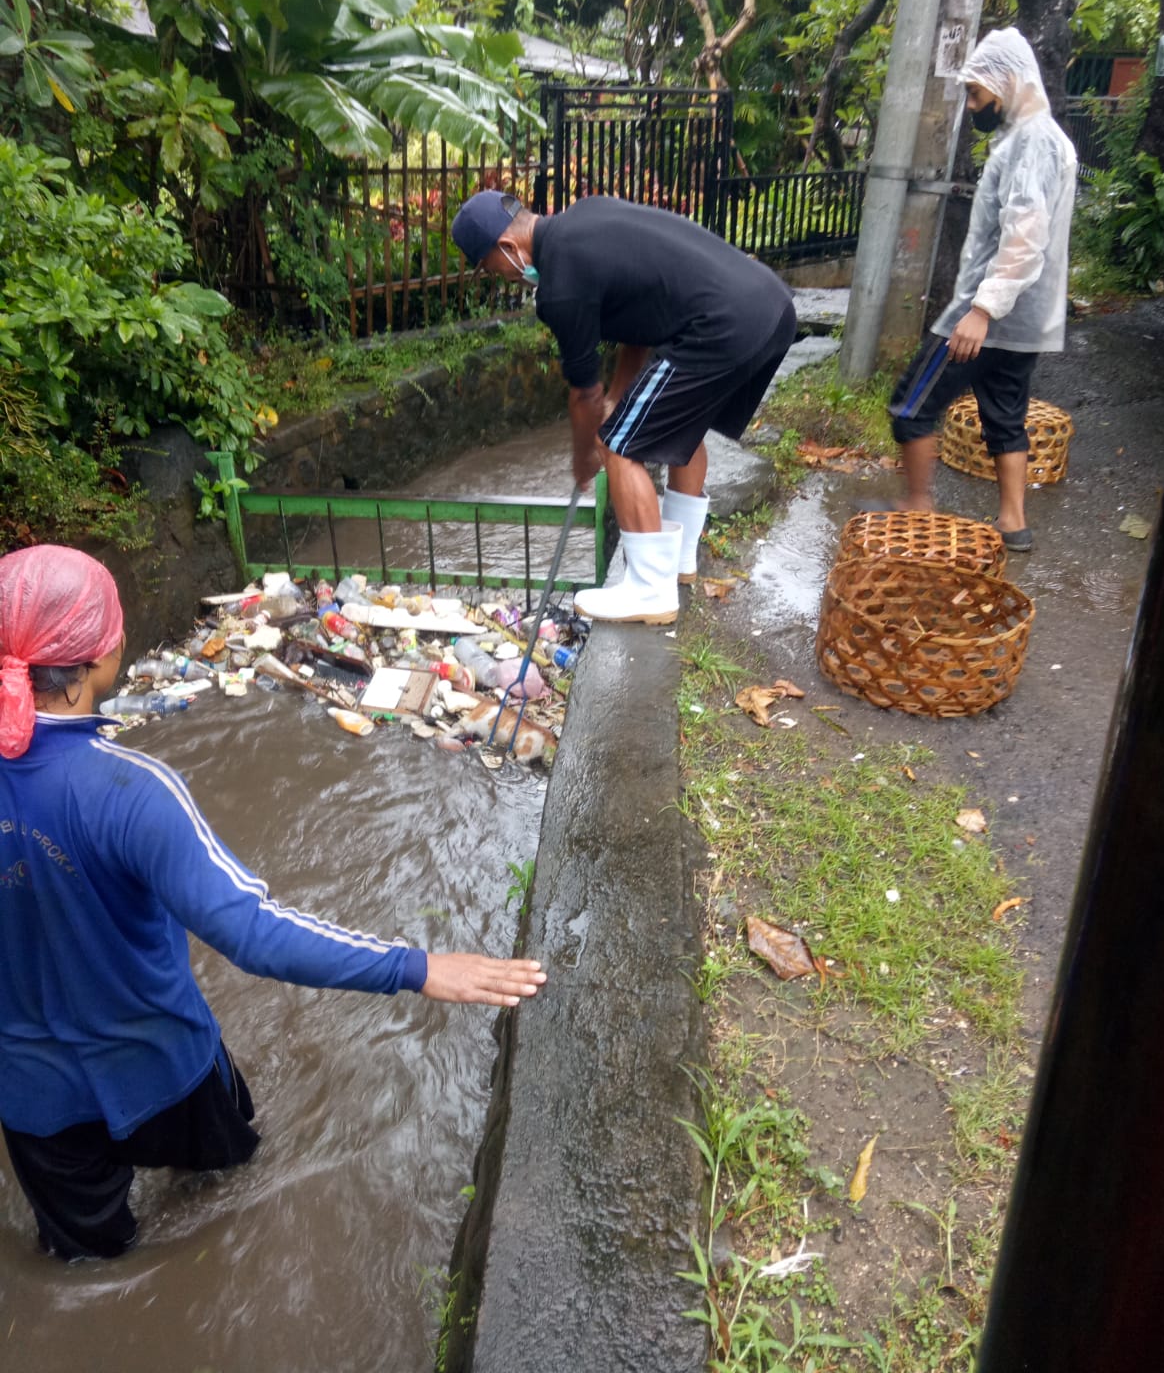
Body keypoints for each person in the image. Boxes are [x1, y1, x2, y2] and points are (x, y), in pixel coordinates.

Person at [0, 545, 546, 1262]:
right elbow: (254, 934)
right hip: (165, 1069)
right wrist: (414, 966)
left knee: (87, 1267)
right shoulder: (131, 790)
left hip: (32, 1103)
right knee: (229, 1192)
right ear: (95, 657)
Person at [451, 192, 796, 623]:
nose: (499, 277)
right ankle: (679, 560)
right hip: (769, 307)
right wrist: (620, 395)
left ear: (507, 248)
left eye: (489, 268)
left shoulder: (560, 287)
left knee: (616, 445)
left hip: (724, 324)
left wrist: (583, 459)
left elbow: (584, 395)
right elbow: (640, 322)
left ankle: (650, 592)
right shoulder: (587, 218)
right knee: (681, 430)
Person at [886, 27, 1077, 552]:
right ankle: (1013, 523)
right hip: (1026, 320)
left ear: (1009, 82)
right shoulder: (1043, 137)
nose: (973, 106)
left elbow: (1025, 231)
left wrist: (982, 310)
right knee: (1004, 417)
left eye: (976, 94)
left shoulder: (1033, 141)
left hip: (986, 318)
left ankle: (917, 506)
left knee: (910, 405)